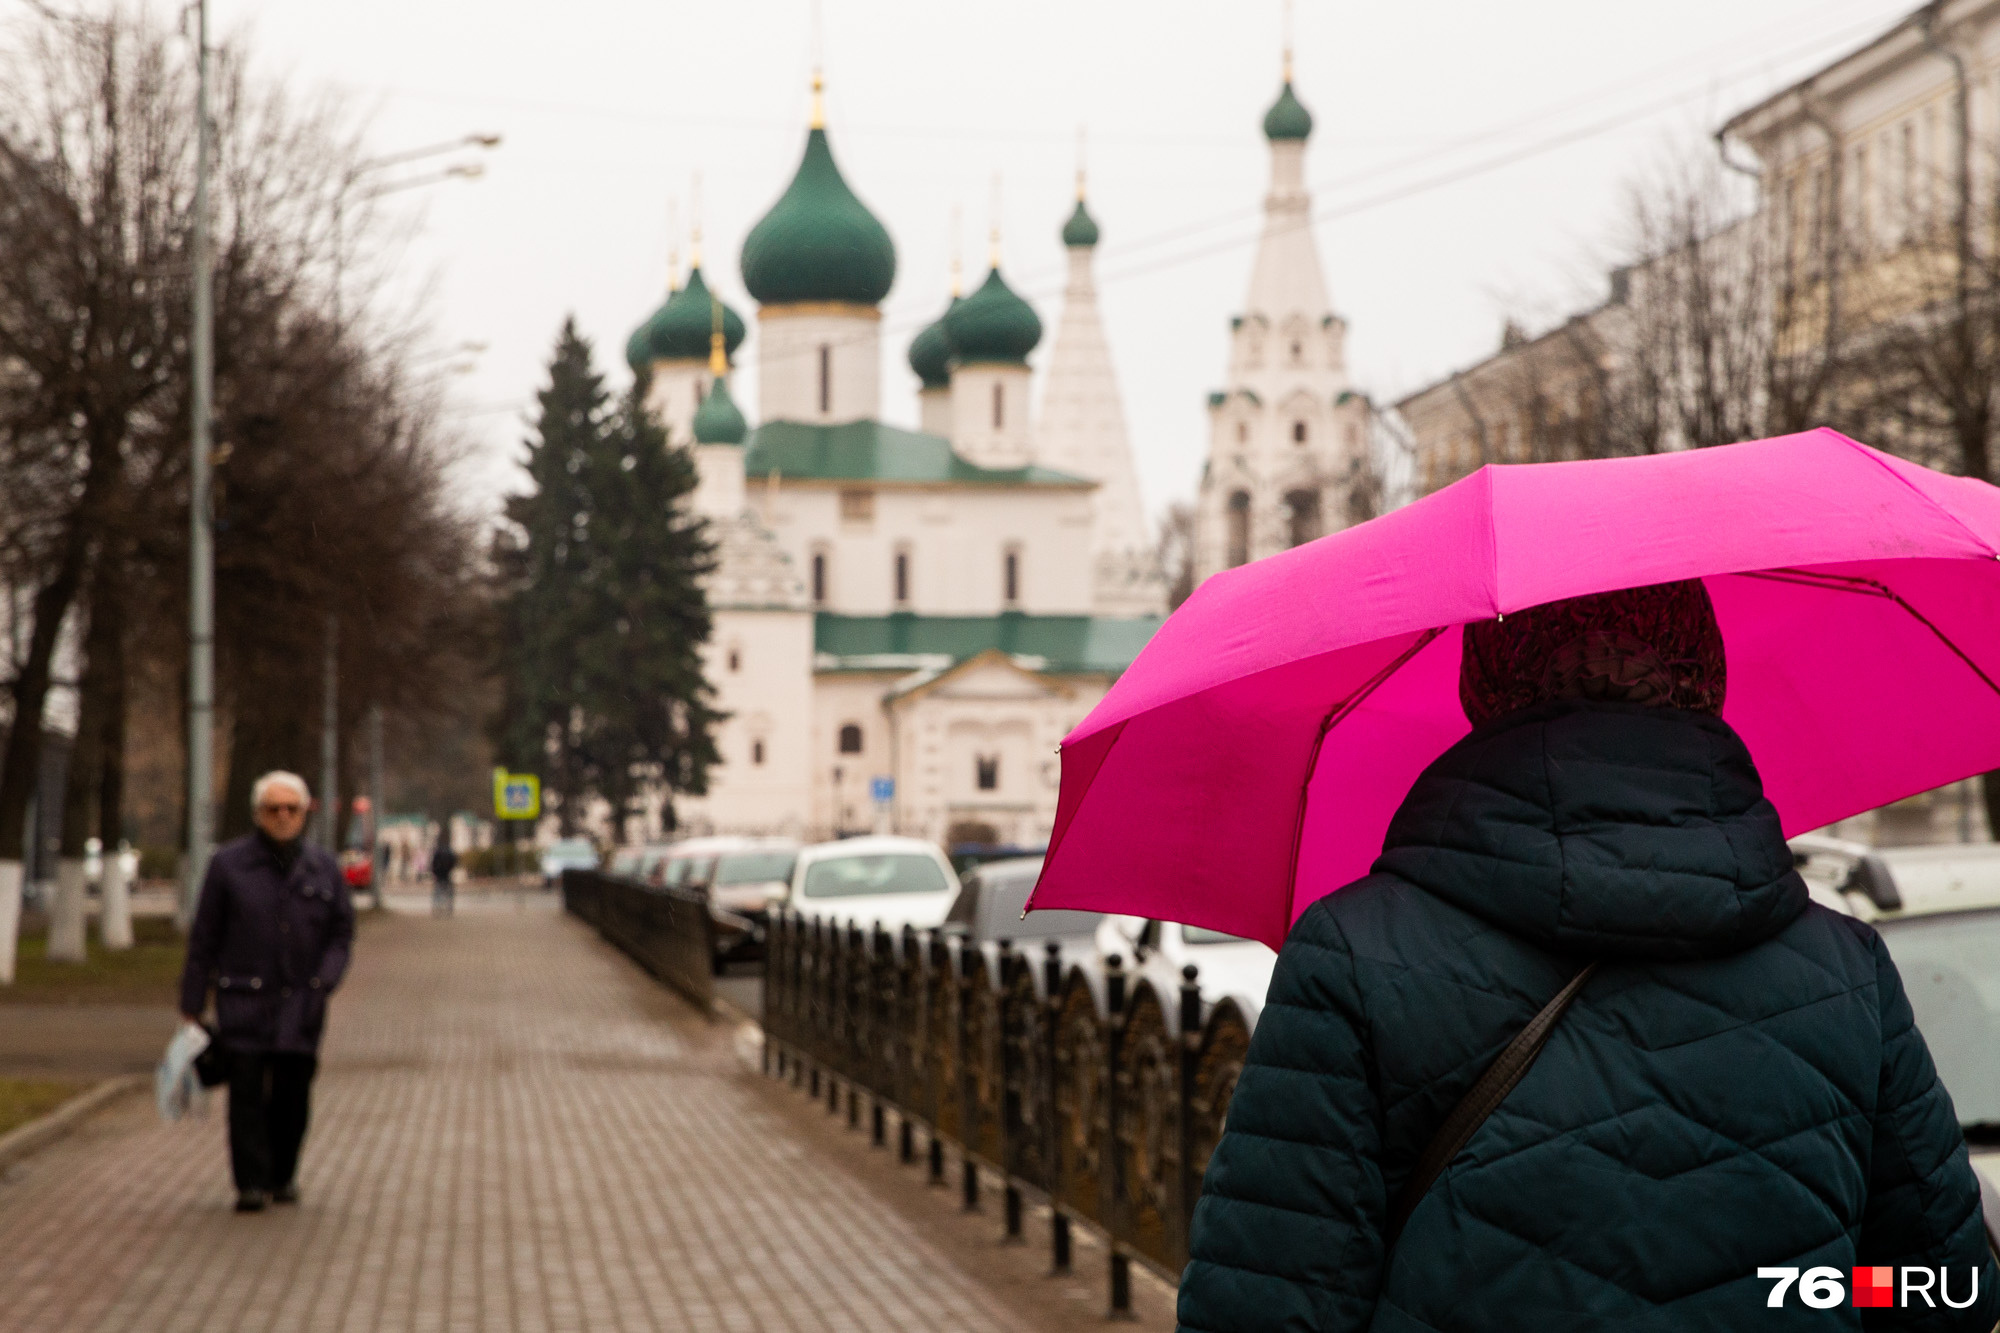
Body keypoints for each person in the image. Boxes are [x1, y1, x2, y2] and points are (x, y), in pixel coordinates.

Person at [1176, 581, 1999, 1331]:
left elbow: (1267, 1305)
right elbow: (1946, 1287)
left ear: (1484, 689)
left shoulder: (1352, 957)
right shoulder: (1846, 968)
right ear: (1703, 677)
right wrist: (1807, 1287)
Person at [179, 770, 354, 1214]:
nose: (282, 816)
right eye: (273, 808)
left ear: (304, 814)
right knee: (247, 1095)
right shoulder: (229, 865)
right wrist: (192, 1003)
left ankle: (283, 1175)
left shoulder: (323, 867)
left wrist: (325, 980)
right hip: (244, 999)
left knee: (293, 1095)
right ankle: (251, 1183)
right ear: (258, 814)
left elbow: (341, 932)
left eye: (291, 809)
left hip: (302, 1002)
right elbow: (204, 937)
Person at [429, 833, 458, 917]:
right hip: (447, 874)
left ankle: (437, 907)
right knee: (448, 892)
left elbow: (433, 864)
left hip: (439, 875)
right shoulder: (449, 852)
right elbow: (453, 862)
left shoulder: (437, 852)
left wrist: (435, 872)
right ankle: (448, 908)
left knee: (438, 892)